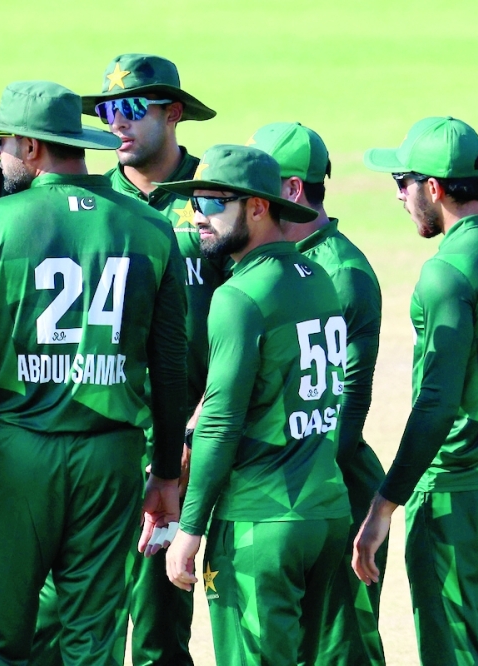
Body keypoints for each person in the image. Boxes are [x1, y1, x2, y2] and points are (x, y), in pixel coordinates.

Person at [0, 81, 188, 664]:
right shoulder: (150, 226)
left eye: (4, 142)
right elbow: (172, 366)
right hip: (112, 458)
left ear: (32, 147)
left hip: (18, 453)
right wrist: (167, 474)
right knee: (94, 640)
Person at [31, 53, 219, 666]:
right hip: (100, 442)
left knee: (162, 626)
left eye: (133, 108)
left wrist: (192, 433)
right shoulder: (91, 199)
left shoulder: (215, 194)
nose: (117, 121)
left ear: (173, 113)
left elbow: (249, 323)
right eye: (108, 109)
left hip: (184, 441)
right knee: (77, 616)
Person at [354, 117, 478, 665]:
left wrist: (385, 503)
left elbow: (436, 404)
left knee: (456, 653)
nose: (399, 196)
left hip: (454, 491)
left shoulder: (445, 272)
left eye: (402, 182)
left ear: (434, 187)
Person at [161, 145, 351, 665]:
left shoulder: (238, 297)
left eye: (213, 203)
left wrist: (190, 529)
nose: (198, 216)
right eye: (195, 201)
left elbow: (221, 423)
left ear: (259, 207)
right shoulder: (318, 279)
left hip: (260, 522)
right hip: (324, 512)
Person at [249, 121, 386, 664]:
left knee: (339, 652)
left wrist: (306, 490)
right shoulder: (268, 260)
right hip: (285, 488)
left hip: (331, 487)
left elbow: (351, 399)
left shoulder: (341, 273)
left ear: (291, 189)